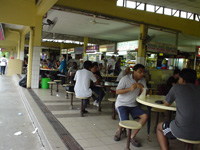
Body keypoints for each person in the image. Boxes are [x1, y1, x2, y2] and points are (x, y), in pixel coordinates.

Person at [157, 68, 200, 150]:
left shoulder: (177, 87)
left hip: (182, 131)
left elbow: (166, 103)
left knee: (159, 127)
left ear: (182, 79)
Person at [114, 64, 148, 147]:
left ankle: (132, 136)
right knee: (125, 122)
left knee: (145, 116)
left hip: (133, 105)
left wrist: (142, 87)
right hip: (122, 104)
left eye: (143, 72)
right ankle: (119, 130)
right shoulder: (125, 79)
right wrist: (130, 89)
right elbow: (117, 92)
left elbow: (145, 93)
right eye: (140, 72)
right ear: (134, 71)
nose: (142, 74)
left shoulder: (142, 80)